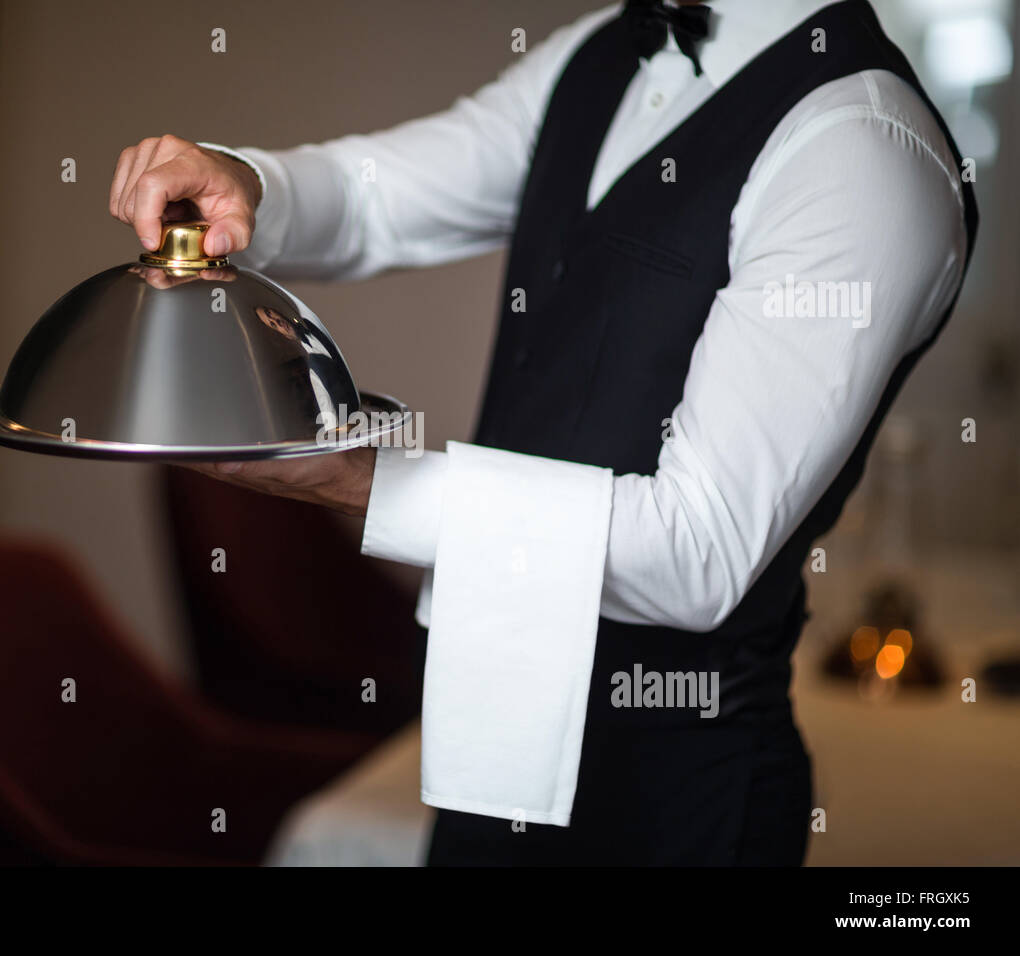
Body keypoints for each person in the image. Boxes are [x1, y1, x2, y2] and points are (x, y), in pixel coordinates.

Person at [107, 0, 977, 865]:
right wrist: (247, 180)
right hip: (491, 758)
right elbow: (381, 199)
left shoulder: (863, 147)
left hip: (676, 806)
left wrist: (364, 480)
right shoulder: (599, 51)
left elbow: (698, 548)